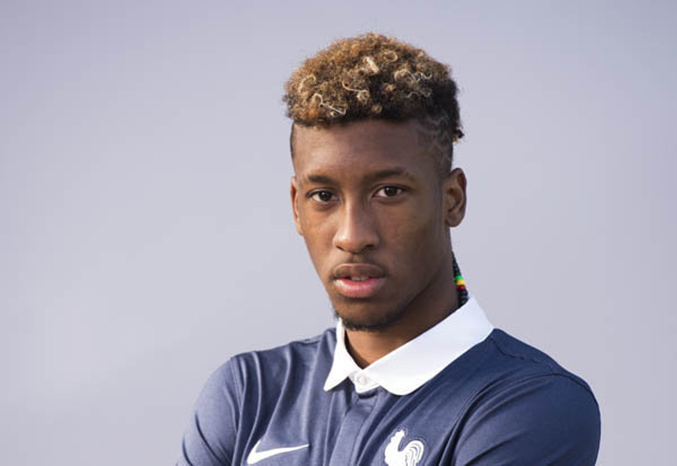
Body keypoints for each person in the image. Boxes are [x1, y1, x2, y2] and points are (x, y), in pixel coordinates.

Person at [177, 33, 601, 466]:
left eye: (389, 192)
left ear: (452, 199)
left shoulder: (534, 404)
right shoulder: (247, 393)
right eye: (324, 196)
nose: (352, 235)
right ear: (296, 207)